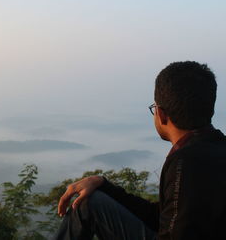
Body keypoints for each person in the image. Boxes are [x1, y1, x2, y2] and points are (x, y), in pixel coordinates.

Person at [54, 61, 226, 240]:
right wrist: (103, 184)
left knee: (87, 204)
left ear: (161, 114)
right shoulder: (216, 149)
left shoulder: (185, 161)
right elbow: (162, 218)